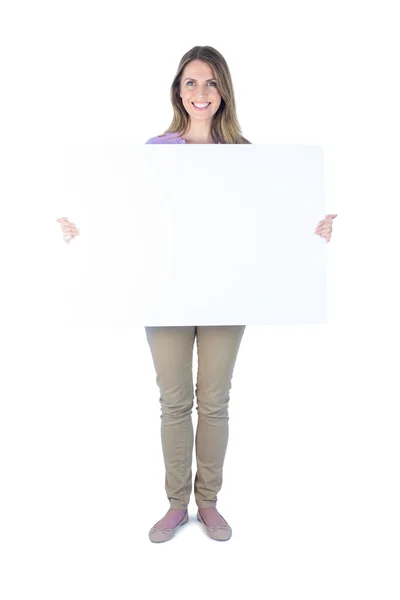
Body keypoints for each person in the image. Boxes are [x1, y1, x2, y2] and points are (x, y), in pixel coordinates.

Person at [56, 46, 337, 543]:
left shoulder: (247, 156)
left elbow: (266, 227)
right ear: (178, 90)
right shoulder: (156, 148)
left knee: (214, 400)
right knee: (173, 401)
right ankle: (174, 503)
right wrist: (86, 233)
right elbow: (131, 218)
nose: (200, 93)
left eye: (210, 83)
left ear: (223, 90)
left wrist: (308, 234)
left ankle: (208, 502)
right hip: (163, 290)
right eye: (190, 82)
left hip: (228, 291)